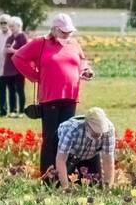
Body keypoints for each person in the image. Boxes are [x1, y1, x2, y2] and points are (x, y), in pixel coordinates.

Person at [12, 13, 94, 182]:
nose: (67, 35)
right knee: (51, 137)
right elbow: (18, 58)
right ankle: (48, 176)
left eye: (69, 32)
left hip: (70, 97)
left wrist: (86, 70)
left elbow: (82, 61)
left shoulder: (74, 44)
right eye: (64, 32)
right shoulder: (40, 43)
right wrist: (34, 76)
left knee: (68, 137)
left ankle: (66, 175)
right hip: (50, 98)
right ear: (55, 30)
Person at [55, 107, 116, 188]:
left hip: (91, 153)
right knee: (56, 183)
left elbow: (108, 161)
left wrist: (108, 188)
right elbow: (61, 160)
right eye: (95, 133)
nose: (99, 136)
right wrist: (65, 187)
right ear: (87, 126)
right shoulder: (72, 130)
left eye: (101, 133)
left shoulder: (109, 130)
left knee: (94, 185)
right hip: (68, 152)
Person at [1, 16, 28, 118]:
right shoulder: (10, 37)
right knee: (11, 90)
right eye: (10, 26)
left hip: (18, 68)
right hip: (8, 68)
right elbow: (5, 50)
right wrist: (5, 51)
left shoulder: (22, 37)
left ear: (18, 26)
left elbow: (26, 52)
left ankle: (21, 111)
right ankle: (12, 110)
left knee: (20, 90)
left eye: (12, 26)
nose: (11, 28)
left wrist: (13, 51)